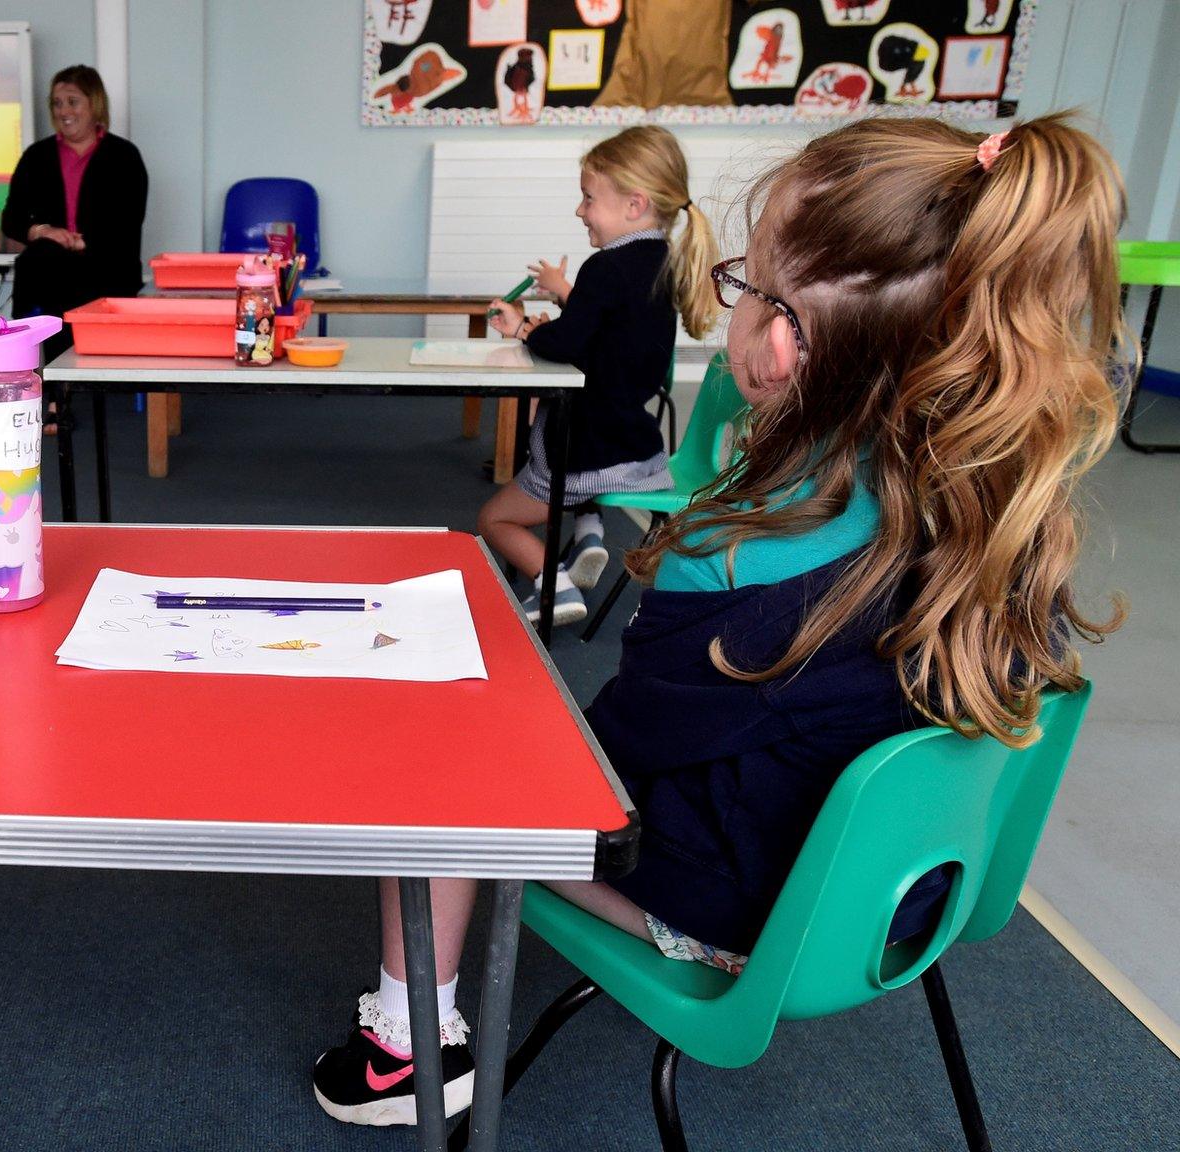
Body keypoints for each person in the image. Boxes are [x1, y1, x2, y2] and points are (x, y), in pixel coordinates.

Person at [312, 113, 1127, 1128]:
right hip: (897, 906)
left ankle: (401, 1049)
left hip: (744, 917)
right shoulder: (1001, 523)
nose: (731, 301)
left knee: (442, 751)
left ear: (783, 341)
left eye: (742, 285)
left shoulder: (739, 557)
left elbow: (614, 765)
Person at [481, 125, 720, 627]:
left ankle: (556, 586)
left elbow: (568, 343)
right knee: (559, 466)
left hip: (589, 445)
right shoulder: (663, 260)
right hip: (635, 443)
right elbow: (613, 333)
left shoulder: (605, 268)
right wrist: (559, 319)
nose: (580, 210)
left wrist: (522, 328)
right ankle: (589, 532)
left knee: (495, 518)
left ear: (634, 205)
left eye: (588, 199)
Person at [1, 65, 148, 368]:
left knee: (56, 277)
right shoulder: (36, 156)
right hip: (51, 263)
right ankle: (56, 390)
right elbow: (10, 219)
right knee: (48, 262)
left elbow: (129, 222)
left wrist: (84, 243)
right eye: (57, 103)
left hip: (108, 264)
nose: (63, 110)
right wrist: (42, 231)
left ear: (94, 104)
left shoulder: (124, 157)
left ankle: (54, 390)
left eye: (72, 101)